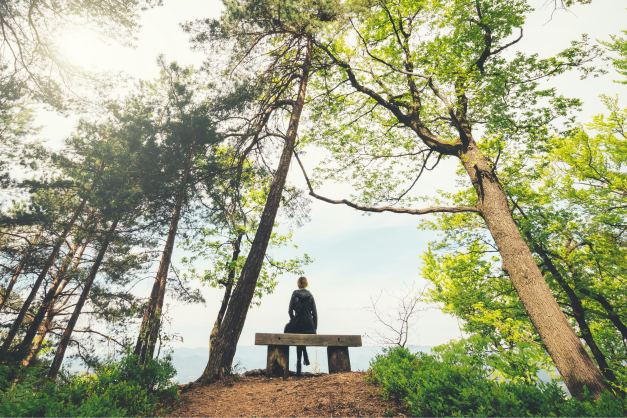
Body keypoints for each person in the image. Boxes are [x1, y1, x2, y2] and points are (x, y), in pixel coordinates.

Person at [284, 276, 317, 376]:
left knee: (296, 332)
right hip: (309, 326)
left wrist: (294, 319)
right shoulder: (310, 296)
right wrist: (314, 328)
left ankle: (299, 362)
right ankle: (304, 358)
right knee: (301, 335)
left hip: (297, 325)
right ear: (306, 284)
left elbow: (290, 311)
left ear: (298, 284)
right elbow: (314, 314)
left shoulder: (294, 295)